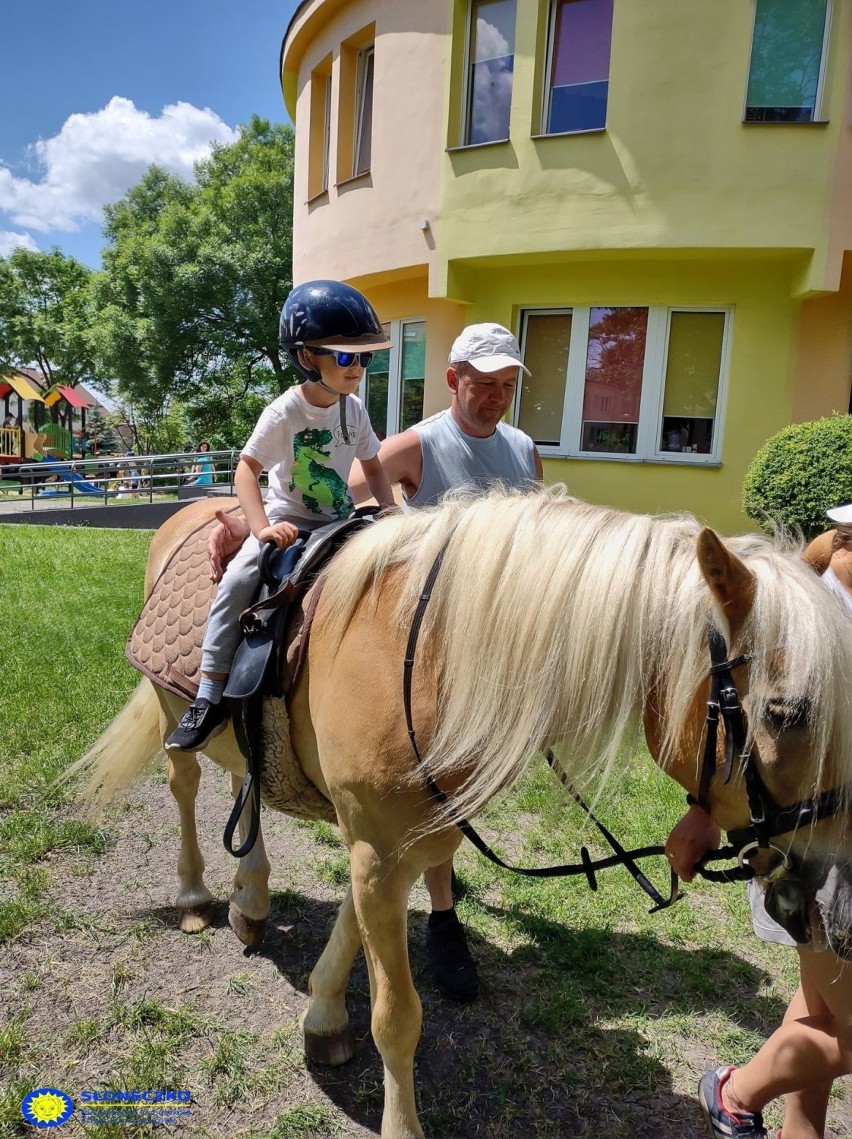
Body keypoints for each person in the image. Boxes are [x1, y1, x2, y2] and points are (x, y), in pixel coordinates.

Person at [209, 321, 543, 1003]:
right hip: (427, 637)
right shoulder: (420, 441)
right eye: (483, 384)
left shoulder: (524, 450)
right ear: (453, 379)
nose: (496, 397)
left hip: (493, 646)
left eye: (507, 386)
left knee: (460, 784)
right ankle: (443, 920)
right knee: (425, 781)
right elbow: (356, 493)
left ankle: (441, 914)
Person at [668, 505, 852, 1139]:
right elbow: (741, 719)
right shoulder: (801, 604)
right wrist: (703, 809)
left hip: (827, 835)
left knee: (823, 1006)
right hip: (811, 847)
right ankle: (736, 1090)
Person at [165, 280, 396, 753]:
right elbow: (246, 470)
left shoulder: (354, 411)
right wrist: (261, 528)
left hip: (339, 520)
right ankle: (208, 695)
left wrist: (391, 510)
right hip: (290, 520)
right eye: (347, 357)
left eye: (366, 358)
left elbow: (372, 462)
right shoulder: (286, 412)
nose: (359, 368)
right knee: (237, 582)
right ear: (307, 357)